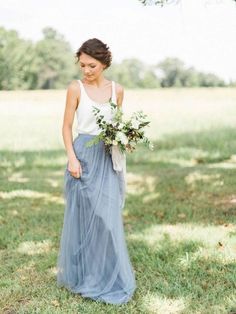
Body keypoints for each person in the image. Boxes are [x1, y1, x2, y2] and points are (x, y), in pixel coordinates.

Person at [56, 38, 137, 305]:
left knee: (108, 219)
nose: (86, 71)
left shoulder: (118, 90)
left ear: (104, 63)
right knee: (85, 218)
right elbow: (67, 127)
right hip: (83, 157)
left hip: (107, 157)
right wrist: (72, 158)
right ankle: (85, 276)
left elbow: (118, 125)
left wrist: (126, 139)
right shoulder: (75, 88)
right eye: (82, 65)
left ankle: (109, 276)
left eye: (91, 65)